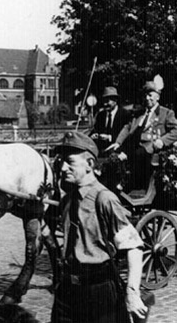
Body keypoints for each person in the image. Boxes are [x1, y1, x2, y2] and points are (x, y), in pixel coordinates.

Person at [51, 131, 147, 323]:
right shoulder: (68, 200)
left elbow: (134, 247)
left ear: (90, 165)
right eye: (61, 161)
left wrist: (132, 292)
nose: (62, 168)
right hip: (68, 289)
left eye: (70, 162)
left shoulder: (104, 199)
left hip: (99, 292)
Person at [108, 81, 177, 190]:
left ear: (158, 97)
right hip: (133, 145)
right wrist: (118, 142)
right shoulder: (139, 114)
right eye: (146, 95)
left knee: (137, 154)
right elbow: (127, 127)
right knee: (112, 154)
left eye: (150, 95)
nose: (147, 98)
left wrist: (162, 140)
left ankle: (129, 184)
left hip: (150, 147)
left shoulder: (165, 113)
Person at [90, 87, 131, 155]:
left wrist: (109, 137)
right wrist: (94, 135)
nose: (105, 104)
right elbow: (95, 130)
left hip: (117, 148)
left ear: (115, 100)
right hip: (101, 148)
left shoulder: (125, 114)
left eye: (107, 101)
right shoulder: (100, 115)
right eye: (104, 101)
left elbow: (126, 135)